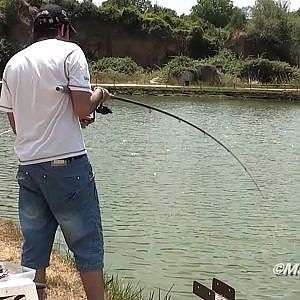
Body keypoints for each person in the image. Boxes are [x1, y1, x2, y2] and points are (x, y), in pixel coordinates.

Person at [0, 4, 109, 300]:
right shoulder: (71, 53)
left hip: (29, 168)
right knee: (87, 244)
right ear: (62, 30)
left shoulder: (14, 64)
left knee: (34, 245)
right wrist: (99, 95)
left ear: (35, 32)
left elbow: (17, 125)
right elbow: (82, 108)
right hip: (67, 166)